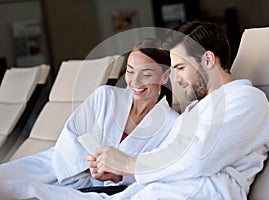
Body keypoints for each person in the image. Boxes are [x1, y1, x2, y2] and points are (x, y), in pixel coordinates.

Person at [0, 20, 269, 200]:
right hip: (155, 190)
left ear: (207, 59)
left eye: (180, 67)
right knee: (27, 190)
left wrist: (128, 164)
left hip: (197, 193)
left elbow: (198, 160)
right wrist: (121, 174)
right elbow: (163, 160)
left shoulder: (245, 100)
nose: (178, 78)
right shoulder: (196, 111)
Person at [0, 38, 179, 196]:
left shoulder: (171, 124)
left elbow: (158, 171)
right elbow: (71, 136)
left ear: (165, 76)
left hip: (113, 191)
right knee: (6, 179)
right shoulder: (105, 96)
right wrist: (88, 168)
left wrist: (119, 175)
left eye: (146, 74)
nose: (135, 81)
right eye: (130, 71)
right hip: (60, 167)